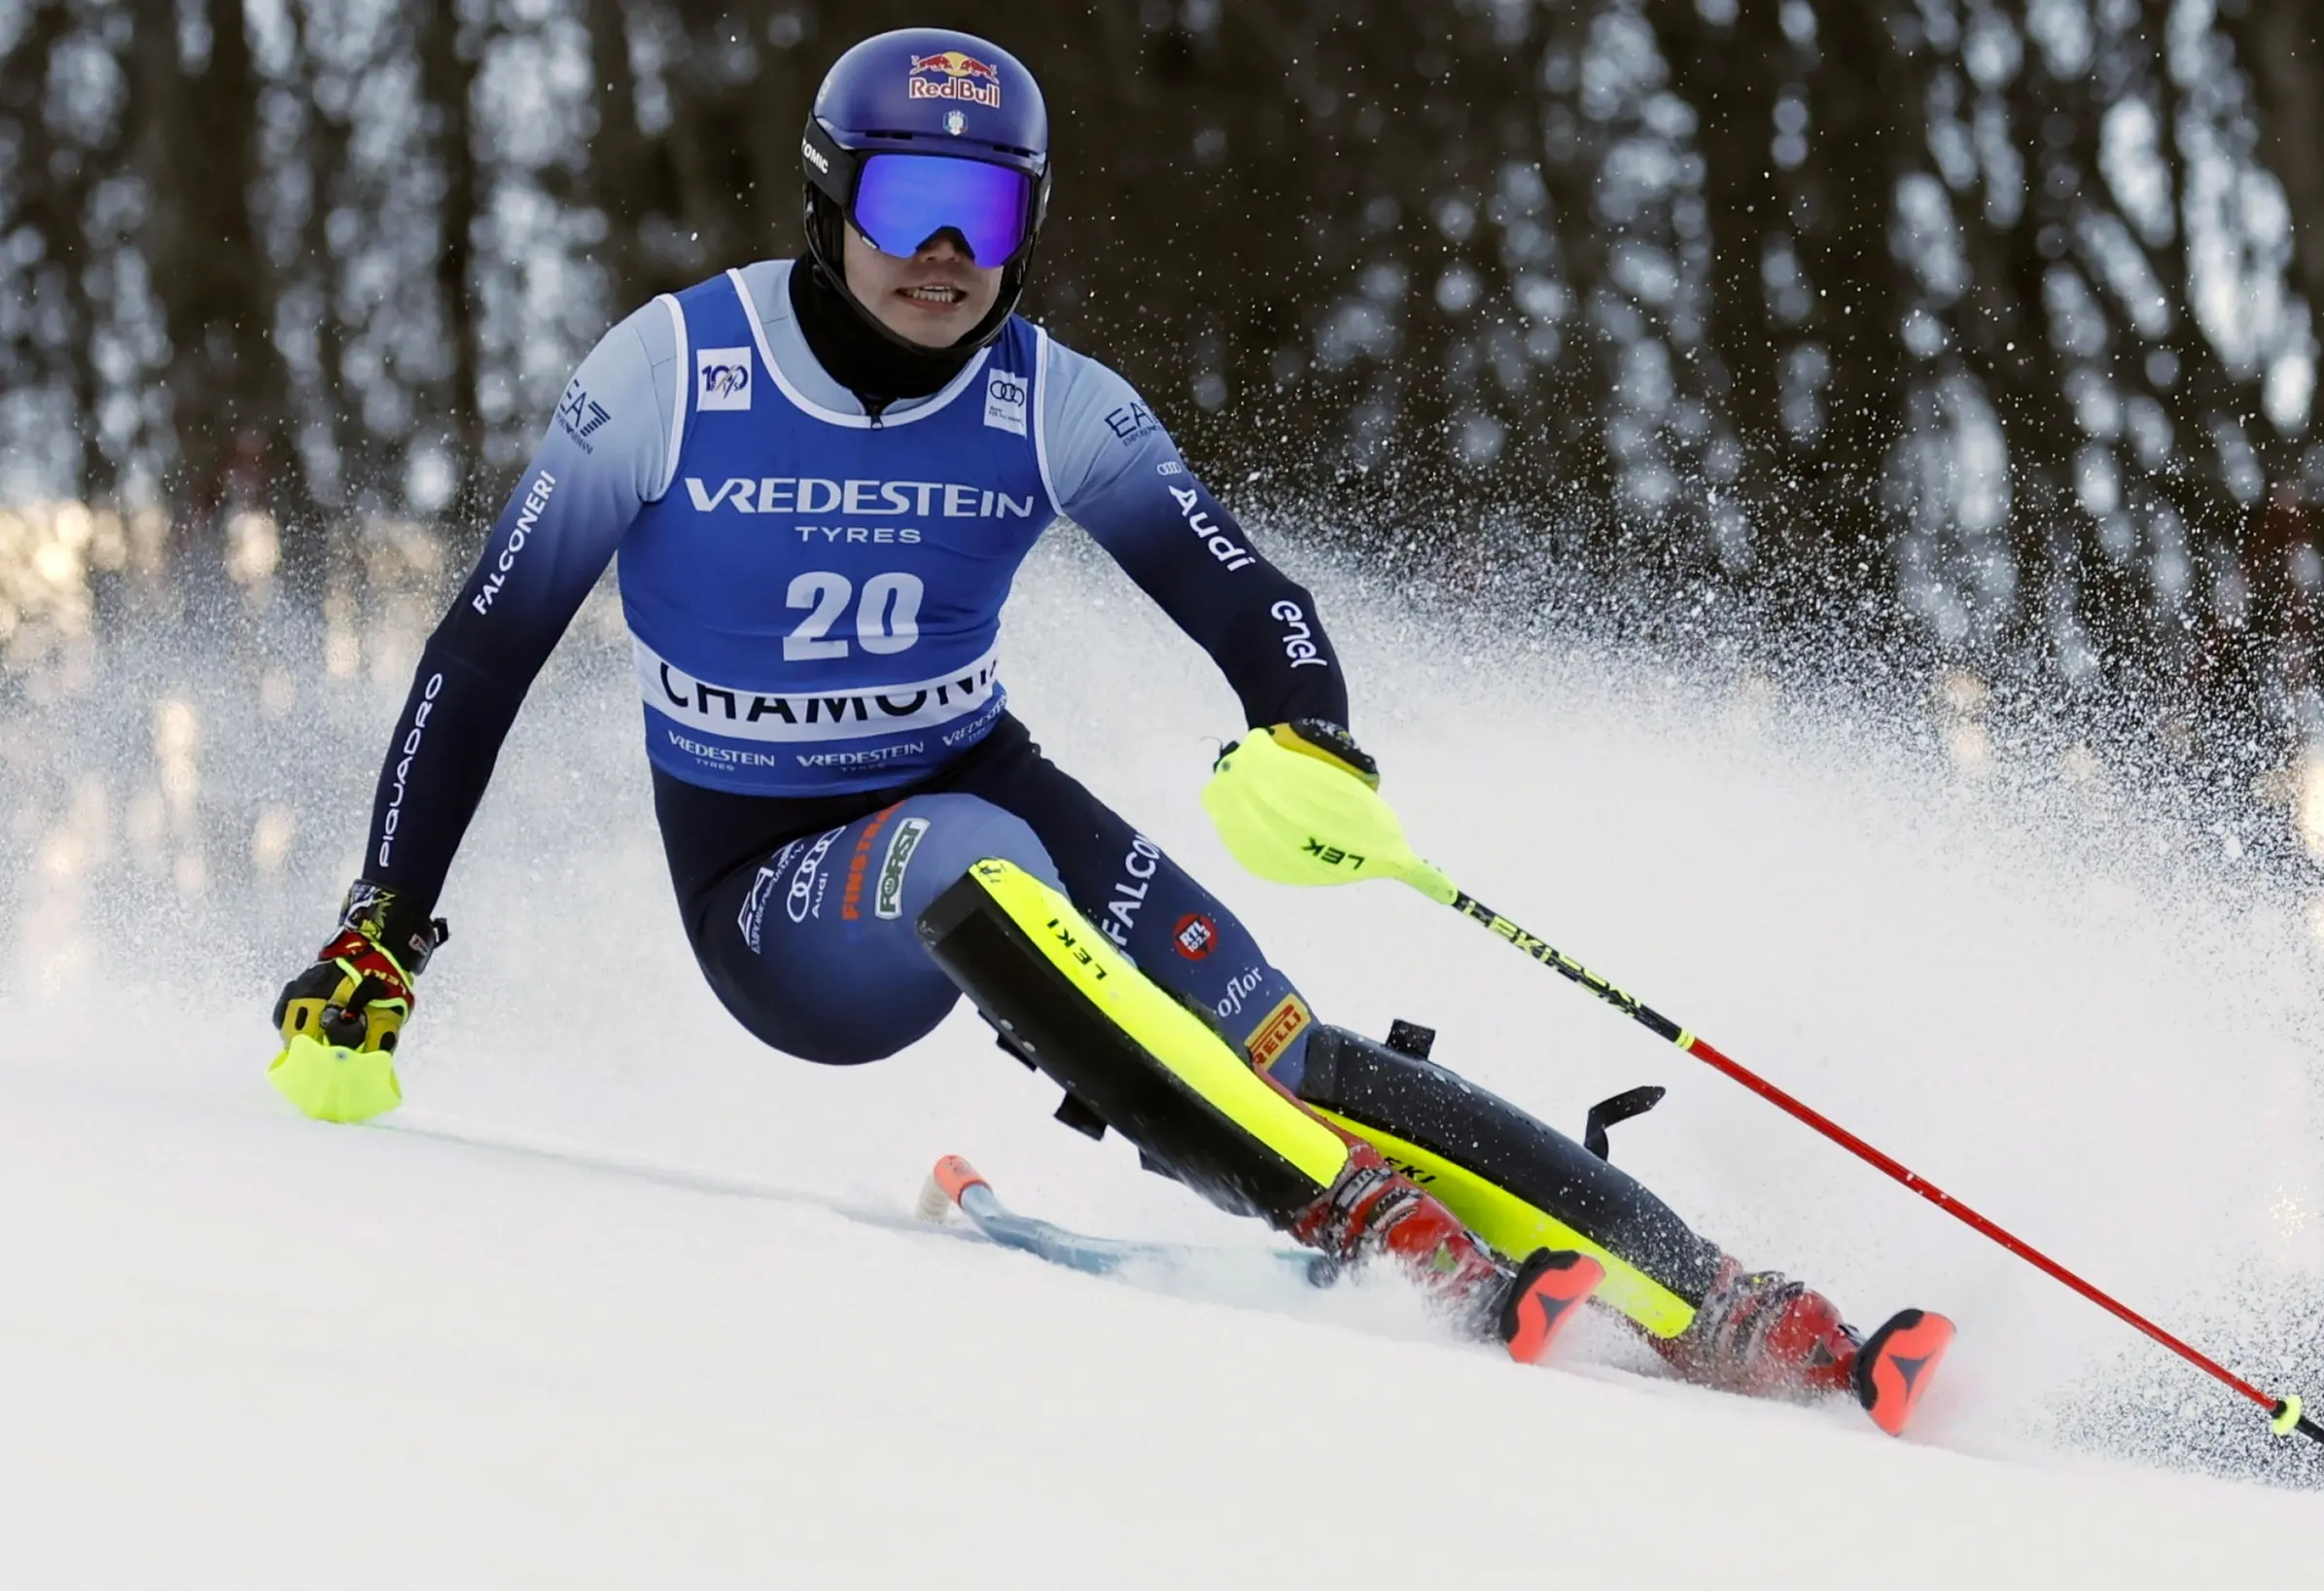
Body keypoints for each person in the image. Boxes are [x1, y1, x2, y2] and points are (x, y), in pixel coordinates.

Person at [269, 27, 1861, 1397]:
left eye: (990, 210)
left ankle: (1720, 1300)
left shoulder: (1053, 400)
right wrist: (385, 925)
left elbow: (1253, 598)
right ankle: (1355, 1221)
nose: (945, 252)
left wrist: (1303, 729)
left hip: (984, 787)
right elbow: (482, 654)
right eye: (909, 201)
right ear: (830, 201)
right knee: (964, 848)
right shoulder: (678, 368)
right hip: (770, 887)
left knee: (1273, 1032)